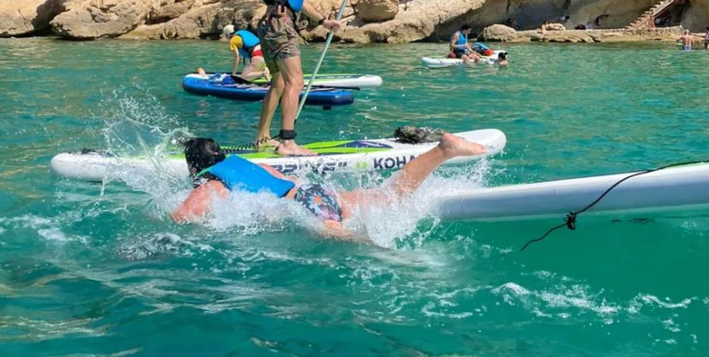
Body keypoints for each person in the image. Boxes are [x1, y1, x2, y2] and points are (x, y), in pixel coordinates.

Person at [171, 135, 488, 238]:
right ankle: (441, 150)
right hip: (315, 193)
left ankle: (405, 263)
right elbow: (285, 183)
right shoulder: (250, 166)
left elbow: (182, 219)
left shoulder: (210, 186)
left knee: (358, 244)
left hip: (305, 208)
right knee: (391, 196)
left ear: (196, 168)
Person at [254, 0, 341, 156]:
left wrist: (324, 21)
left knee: (280, 82)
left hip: (271, 23)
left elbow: (299, 0)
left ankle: (262, 138)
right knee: (296, 82)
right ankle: (288, 142)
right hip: (280, 25)